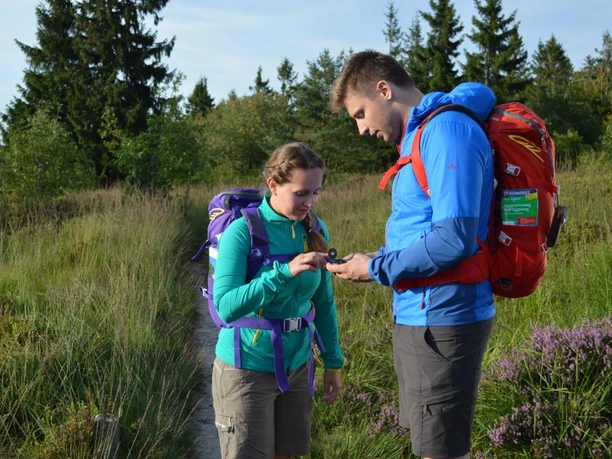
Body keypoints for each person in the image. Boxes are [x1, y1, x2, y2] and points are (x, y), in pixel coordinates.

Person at [326, 50, 496, 459]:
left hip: (443, 320)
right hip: (422, 316)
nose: (362, 129)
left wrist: (379, 267)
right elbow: (426, 230)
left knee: (439, 450)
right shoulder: (421, 137)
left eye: (361, 113)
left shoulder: (446, 132)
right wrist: (374, 259)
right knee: (427, 442)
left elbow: (455, 236)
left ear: (384, 90)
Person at [211, 142, 345, 459]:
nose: (309, 202)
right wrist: (284, 272)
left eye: (316, 192)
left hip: (297, 365)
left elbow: (323, 301)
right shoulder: (242, 232)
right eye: (301, 193)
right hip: (246, 367)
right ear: (273, 184)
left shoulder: (314, 227)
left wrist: (334, 363)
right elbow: (226, 306)